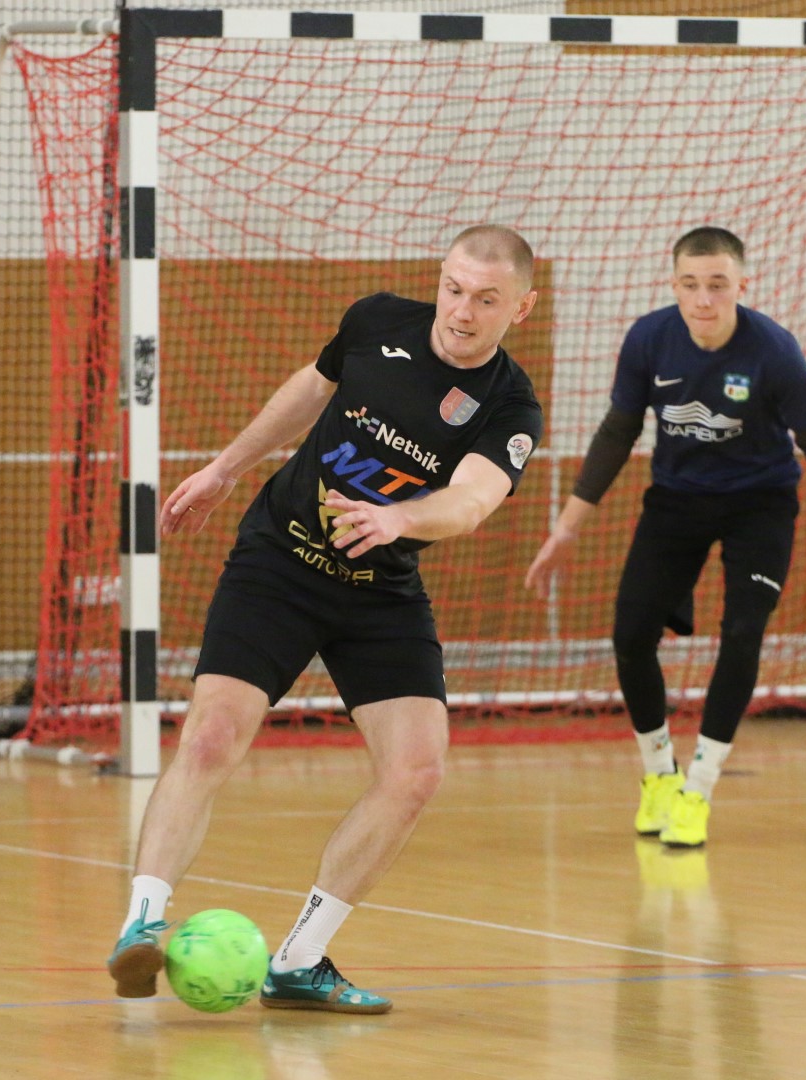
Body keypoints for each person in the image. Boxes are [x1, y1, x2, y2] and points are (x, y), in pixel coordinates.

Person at [109, 225, 543, 1014]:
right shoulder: (378, 321)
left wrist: (400, 520)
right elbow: (311, 390)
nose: (462, 311)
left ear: (521, 308)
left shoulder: (510, 407)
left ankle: (300, 960)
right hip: (280, 562)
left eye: (486, 300)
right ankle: (141, 922)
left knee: (416, 771)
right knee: (211, 735)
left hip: (380, 587)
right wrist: (225, 468)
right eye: (453, 289)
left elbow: (472, 500)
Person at [525, 226, 806, 850]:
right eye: (690, 285)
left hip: (760, 505)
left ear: (742, 286)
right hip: (677, 501)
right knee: (631, 634)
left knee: (742, 631)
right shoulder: (650, 339)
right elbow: (617, 432)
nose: (703, 299)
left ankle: (699, 790)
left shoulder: (774, 351)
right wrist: (566, 529)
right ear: (674, 286)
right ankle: (660, 775)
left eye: (717, 285)